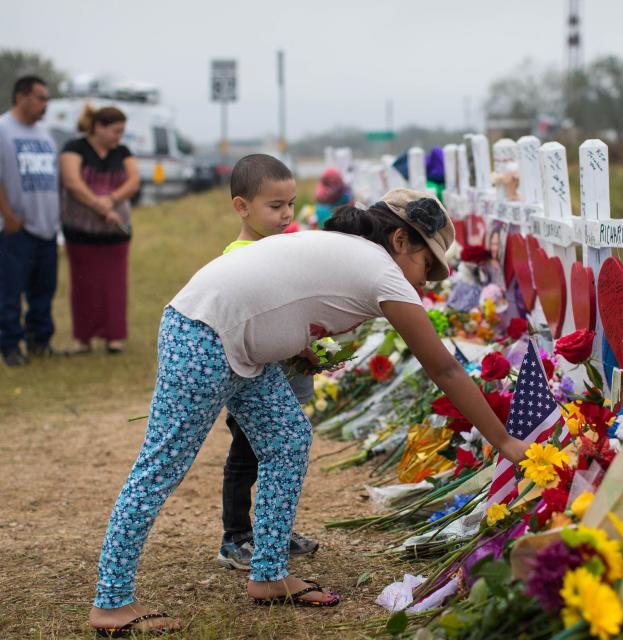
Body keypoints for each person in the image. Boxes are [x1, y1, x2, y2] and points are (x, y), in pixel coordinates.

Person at [88, 184, 528, 635]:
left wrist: (300, 346)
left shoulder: (351, 253)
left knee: (287, 439)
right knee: (161, 468)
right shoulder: (382, 272)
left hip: (237, 345)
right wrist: (505, 441)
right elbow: (446, 370)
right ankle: (111, 601)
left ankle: (270, 574)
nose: (425, 279)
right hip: (203, 336)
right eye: (426, 263)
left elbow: (277, 293)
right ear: (400, 241)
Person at [216, 154, 319, 571]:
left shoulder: (278, 249)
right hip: (252, 381)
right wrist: (300, 345)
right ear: (242, 206)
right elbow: (260, 323)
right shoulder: (239, 257)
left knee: (281, 456)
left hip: (283, 377)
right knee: (246, 457)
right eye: (275, 207)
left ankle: (274, 529)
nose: (286, 214)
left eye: (291, 204)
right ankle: (236, 536)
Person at [60, 105, 140, 354]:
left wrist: (112, 199)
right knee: (84, 285)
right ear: (98, 127)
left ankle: (114, 338)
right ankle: (84, 339)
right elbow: (72, 182)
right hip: (81, 232)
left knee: (115, 284)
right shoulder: (74, 148)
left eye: (122, 132)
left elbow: (133, 180)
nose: (119, 137)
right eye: (115, 131)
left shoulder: (122, 152)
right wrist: (101, 207)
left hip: (116, 233)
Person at [0, 75, 60, 366]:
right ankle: (10, 347)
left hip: (46, 227)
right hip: (16, 229)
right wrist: (7, 215)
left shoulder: (44, 134)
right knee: (10, 292)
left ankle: (40, 341)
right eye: (40, 98)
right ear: (21, 96)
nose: (45, 104)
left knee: (43, 291)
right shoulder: (3, 129)